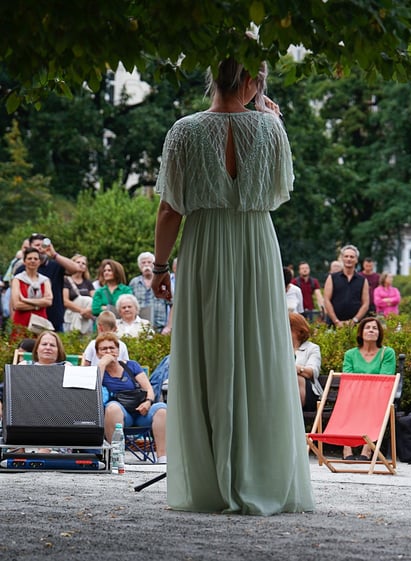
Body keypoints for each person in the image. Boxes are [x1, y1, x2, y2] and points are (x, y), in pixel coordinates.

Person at [152, 57, 314, 514]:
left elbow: (169, 209)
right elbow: (278, 189)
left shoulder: (183, 131)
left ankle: (211, 479)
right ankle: (258, 473)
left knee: (210, 352)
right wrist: (268, 118)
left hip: (204, 245)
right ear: (252, 81)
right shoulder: (271, 128)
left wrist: (160, 268)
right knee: (258, 355)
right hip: (256, 245)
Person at [96, 332, 168, 464]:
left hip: (141, 411)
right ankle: (116, 456)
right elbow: (95, 390)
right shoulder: (99, 371)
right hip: (121, 414)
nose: (108, 351)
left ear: (118, 350)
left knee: (162, 409)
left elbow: (149, 389)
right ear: (97, 353)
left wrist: (148, 402)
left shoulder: (131, 365)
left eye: (112, 348)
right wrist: (102, 365)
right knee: (112, 408)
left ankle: (162, 457)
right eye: (103, 349)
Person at [341, 317, 396, 459]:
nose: (371, 330)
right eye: (367, 327)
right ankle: (346, 448)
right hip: (355, 395)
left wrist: (362, 383)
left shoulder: (387, 353)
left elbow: (385, 378)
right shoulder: (350, 354)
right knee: (347, 400)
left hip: (378, 395)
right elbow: (348, 378)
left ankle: (367, 448)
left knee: (374, 402)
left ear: (379, 333)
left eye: (375, 328)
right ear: (360, 333)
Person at [15, 234, 85, 332]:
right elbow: (15, 302)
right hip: (26, 320)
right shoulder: (21, 270)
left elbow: (75, 269)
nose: (40, 248)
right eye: (37, 245)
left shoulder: (55, 265)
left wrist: (54, 254)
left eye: (43, 245)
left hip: (54, 319)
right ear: (30, 247)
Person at [323, 245, 369, 328]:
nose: (349, 259)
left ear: (356, 259)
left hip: (356, 325)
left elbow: (365, 303)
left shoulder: (362, 280)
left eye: (352, 257)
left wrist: (354, 320)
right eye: (346, 256)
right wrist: (336, 321)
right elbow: (326, 300)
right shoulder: (332, 278)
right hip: (333, 324)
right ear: (342, 258)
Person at [10, 247, 53, 330]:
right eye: (29, 258)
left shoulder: (45, 280)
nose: (33, 261)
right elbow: (17, 305)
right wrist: (39, 306)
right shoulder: (17, 279)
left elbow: (48, 302)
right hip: (21, 321)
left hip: (40, 322)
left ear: (39, 262)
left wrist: (25, 300)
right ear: (24, 261)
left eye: (35, 259)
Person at [129, 251, 171, 333]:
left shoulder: (162, 281)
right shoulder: (134, 282)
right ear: (139, 266)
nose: (146, 265)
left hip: (160, 328)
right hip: (139, 328)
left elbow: (172, 304)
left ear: (154, 265)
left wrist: (169, 326)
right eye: (143, 263)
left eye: (149, 262)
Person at [290, 312, 322, 411]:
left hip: (309, 393)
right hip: (284, 390)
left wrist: (294, 369)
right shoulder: (280, 349)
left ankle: (294, 412)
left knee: (298, 378)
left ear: (298, 330)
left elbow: (312, 372)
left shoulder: (312, 348)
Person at [62, 254, 95, 334]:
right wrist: (81, 310)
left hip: (86, 318)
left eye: (83, 263)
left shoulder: (88, 283)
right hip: (71, 317)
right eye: (78, 262)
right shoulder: (65, 280)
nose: (81, 264)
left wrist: (88, 310)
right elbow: (65, 301)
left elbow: (95, 299)